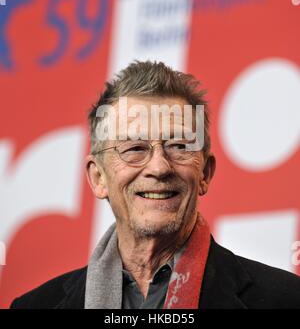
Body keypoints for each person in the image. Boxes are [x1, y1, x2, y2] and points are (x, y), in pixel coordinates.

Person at [10, 61, 300, 309]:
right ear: (98, 178)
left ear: (205, 173)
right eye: (135, 148)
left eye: (178, 145)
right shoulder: (35, 305)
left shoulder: (285, 299)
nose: (159, 167)